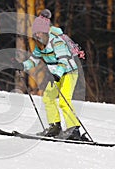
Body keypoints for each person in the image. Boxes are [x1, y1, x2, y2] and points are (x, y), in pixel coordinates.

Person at [14, 9, 86, 140]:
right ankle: (55, 126)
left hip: (69, 72)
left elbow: (63, 60)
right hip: (56, 75)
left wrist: (58, 74)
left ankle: (73, 130)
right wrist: (22, 66)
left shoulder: (56, 41)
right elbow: (34, 60)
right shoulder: (39, 46)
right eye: (35, 33)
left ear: (46, 32)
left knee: (64, 101)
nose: (38, 35)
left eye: (40, 33)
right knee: (48, 97)